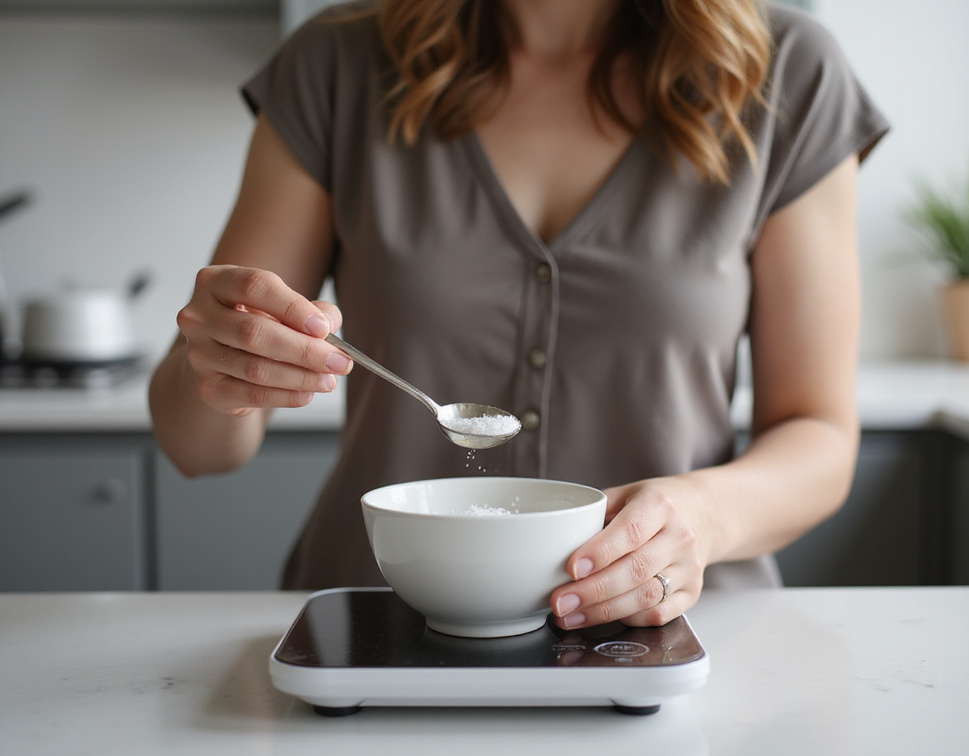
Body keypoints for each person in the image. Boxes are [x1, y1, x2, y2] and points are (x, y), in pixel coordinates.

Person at [149, 0, 888, 630]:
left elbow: (819, 436)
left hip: (672, 630)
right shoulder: (335, 66)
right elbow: (199, 446)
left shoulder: (790, 74)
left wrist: (703, 513)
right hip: (381, 629)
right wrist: (221, 369)